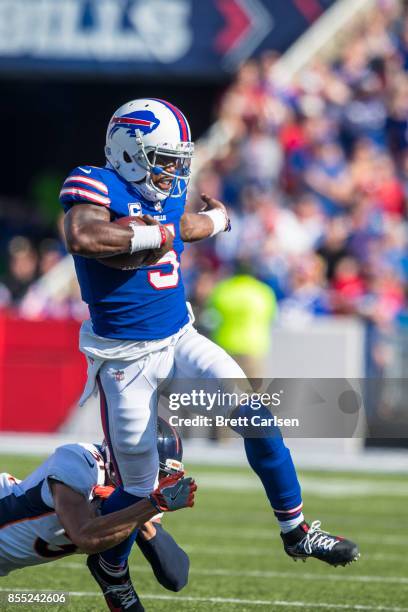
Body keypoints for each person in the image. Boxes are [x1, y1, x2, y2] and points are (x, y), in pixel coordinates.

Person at [60, 98, 359, 611]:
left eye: (179, 159)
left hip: (179, 338)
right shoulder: (94, 182)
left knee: (257, 414)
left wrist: (216, 222)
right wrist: (158, 234)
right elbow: (83, 236)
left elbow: (185, 223)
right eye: (164, 158)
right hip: (124, 358)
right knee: (141, 489)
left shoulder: (169, 190)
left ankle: (296, 530)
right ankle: (110, 566)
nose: (175, 170)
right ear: (130, 151)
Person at [0, 418, 195, 612]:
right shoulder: (79, 460)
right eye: (152, 472)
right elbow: (84, 536)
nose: (155, 482)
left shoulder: (140, 495)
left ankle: (112, 572)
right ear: (120, 458)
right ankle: (112, 573)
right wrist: (148, 506)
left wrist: (146, 512)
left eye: (162, 475)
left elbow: (175, 576)